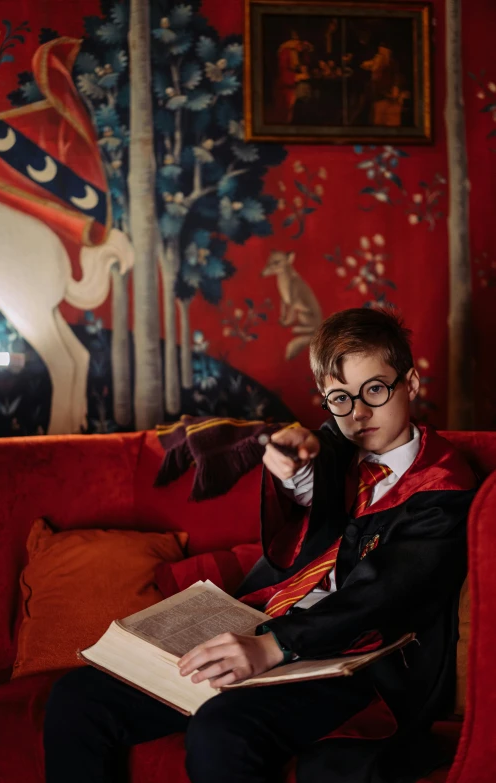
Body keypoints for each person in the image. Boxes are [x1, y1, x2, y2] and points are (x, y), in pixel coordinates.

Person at [43, 307, 477, 783]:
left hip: (362, 662)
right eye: (339, 397)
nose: (358, 413)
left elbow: (385, 594)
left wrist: (276, 647)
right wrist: (293, 471)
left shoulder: (444, 484)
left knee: (222, 730)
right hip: (268, 625)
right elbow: (313, 484)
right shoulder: (333, 445)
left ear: (410, 383)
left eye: (375, 389)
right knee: (76, 699)